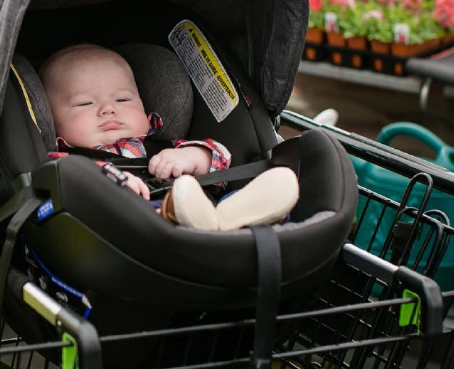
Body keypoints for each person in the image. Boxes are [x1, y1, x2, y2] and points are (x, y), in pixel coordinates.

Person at [39, 44, 299, 231]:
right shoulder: (65, 161)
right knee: (184, 199)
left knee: (222, 197)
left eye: (122, 99)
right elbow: (68, 182)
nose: (109, 109)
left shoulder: (162, 147)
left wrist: (193, 156)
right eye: (85, 103)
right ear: (52, 120)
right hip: (132, 228)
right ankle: (206, 220)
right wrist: (111, 182)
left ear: (143, 106)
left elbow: (221, 157)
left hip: (201, 213)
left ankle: (244, 214)